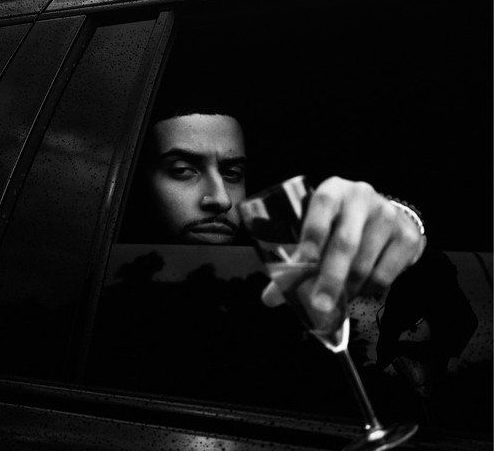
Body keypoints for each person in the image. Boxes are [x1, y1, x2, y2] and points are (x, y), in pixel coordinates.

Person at [131, 104, 427, 315]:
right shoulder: (121, 283)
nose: (222, 200)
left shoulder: (284, 257)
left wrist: (396, 218)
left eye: (232, 173)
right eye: (183, 170)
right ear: (137, 180)